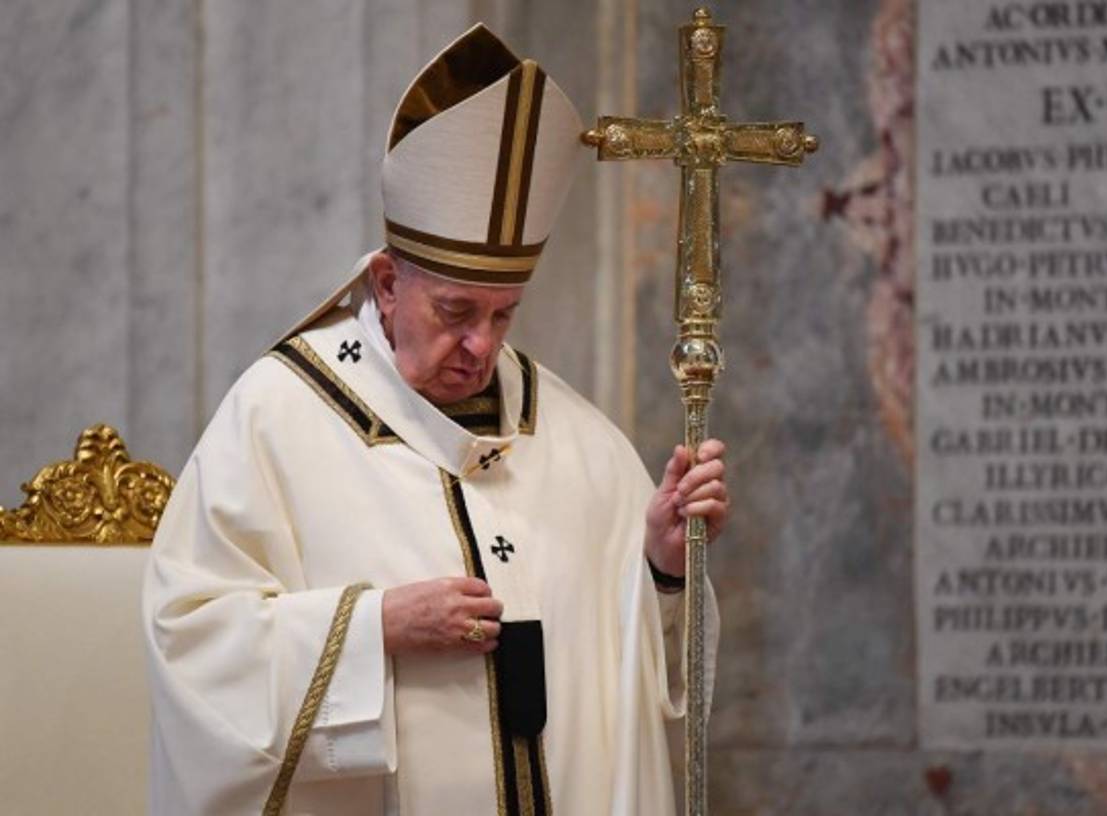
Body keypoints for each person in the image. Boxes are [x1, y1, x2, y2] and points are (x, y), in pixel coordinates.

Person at [142, 23, 728, 816]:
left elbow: (638, 692)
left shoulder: (582, 442)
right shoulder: (275, 419)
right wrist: (373, 625)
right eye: (455, 312)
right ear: (388, 284)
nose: (481, 345)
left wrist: (663, 568)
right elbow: (189, 642)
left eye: (503, 314)